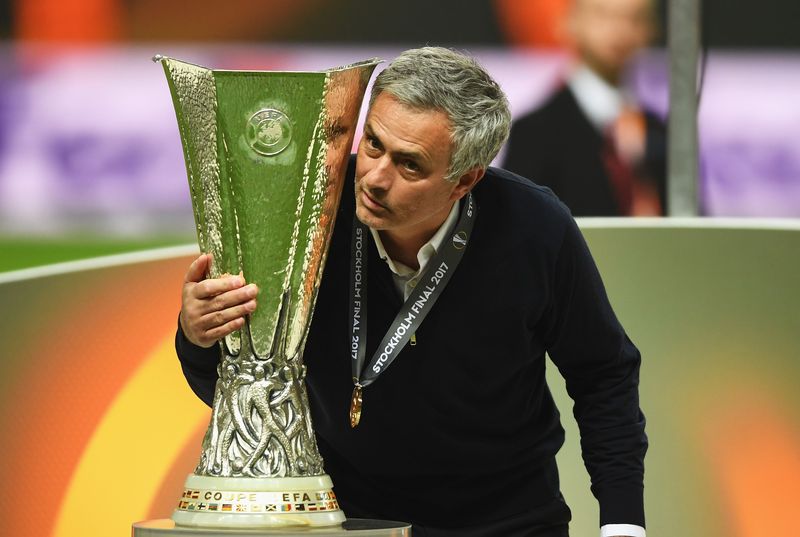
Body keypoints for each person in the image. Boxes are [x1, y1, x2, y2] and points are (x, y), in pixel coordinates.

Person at [176, 47, 647, 537]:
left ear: (465, 179)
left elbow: (604, 376)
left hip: (509, 521)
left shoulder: (537, 227)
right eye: (374, 145)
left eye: (410, 166)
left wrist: (623, 523)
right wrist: (199, 335)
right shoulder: (307, 210)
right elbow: (243, 383)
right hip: (350, 520)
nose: (375, 178)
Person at [503, 0, 667, 217]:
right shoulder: (535, 132)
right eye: (603, 15)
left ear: (652, 28)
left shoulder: (659, 131)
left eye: (634, 18)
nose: (619, 30)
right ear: (568, 22)